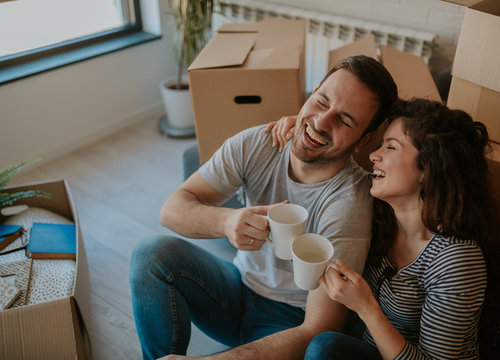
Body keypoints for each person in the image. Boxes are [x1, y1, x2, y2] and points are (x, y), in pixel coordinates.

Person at [128, 55, 398, 360]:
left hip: (288, 323)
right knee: (151, 253)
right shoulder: (259, 143)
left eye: (345, 120)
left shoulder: (348, 203)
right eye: (322, 101)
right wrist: (226, 222)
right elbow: (171, 210)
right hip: (236, 287)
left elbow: (318, 329)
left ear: (362, 142)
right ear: (311, 94)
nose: (322, 122)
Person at [295, 98, 500, 359]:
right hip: (367, 348)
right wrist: (294, 131)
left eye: (391, 147)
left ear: (427, 169)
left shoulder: (455, 259)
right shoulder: (378, 215)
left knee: (324, 348)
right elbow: (331, 171)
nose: (374, 155)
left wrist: (366, 307)